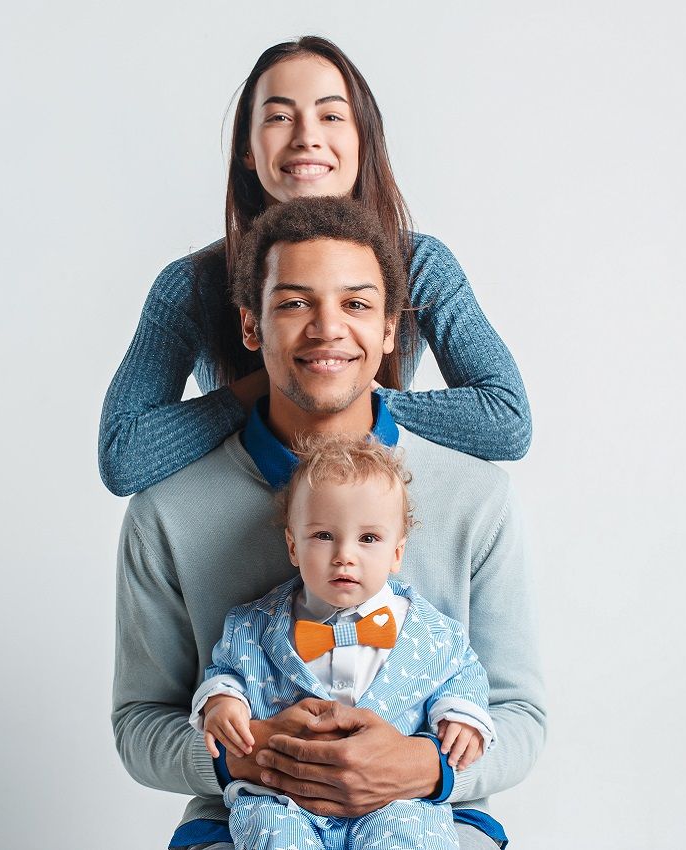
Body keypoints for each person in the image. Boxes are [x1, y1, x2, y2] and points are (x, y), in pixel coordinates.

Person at [112, 196, 545, 850]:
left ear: (391, 329)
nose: (327, 328)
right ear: (251, 328)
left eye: (357, 304)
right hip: (244, 820)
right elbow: (140, 723)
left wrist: (428, 765)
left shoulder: (478, 498)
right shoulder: (166, 513)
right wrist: (243, 755)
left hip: (436, 816)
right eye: (292, 303)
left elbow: (521, 714)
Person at [98, 35, 532, 497]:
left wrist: (349, 390)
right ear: (247, 147)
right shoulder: (192, 285)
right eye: (281, 117)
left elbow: (506, 419)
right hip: (244, 501)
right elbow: (125, 455)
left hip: (372, 511)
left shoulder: (419, 264)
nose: (307, 137)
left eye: (330, 116)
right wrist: (288, 379)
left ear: (362, 139)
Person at [194, 433, 496, 850]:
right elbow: (226, 672)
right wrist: (223, 701)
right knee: (268, 829)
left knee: (413, 834)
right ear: (293, 545)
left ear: (397, 553)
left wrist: (462, 717)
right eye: (323, 536)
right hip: (284, 797)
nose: (344, 556)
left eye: (368, 539)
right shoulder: (253, 626)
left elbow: (464, 672)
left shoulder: (433, 633)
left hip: (393, 799)